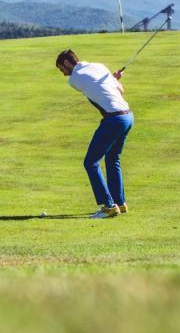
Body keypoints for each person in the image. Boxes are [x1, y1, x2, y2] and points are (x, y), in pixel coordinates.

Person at [55, 49, 134, 219]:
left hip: (113, 120)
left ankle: (108, 206)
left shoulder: (74, 79)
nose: (63, 74)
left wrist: (112, 79)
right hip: (128, 116)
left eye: (62, 69)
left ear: (68, 63)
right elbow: (120, 89)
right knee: (113, 159)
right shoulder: (99, 66)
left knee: (90, 162)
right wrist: (113, 79)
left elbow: (94, 88)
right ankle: (120, 203)